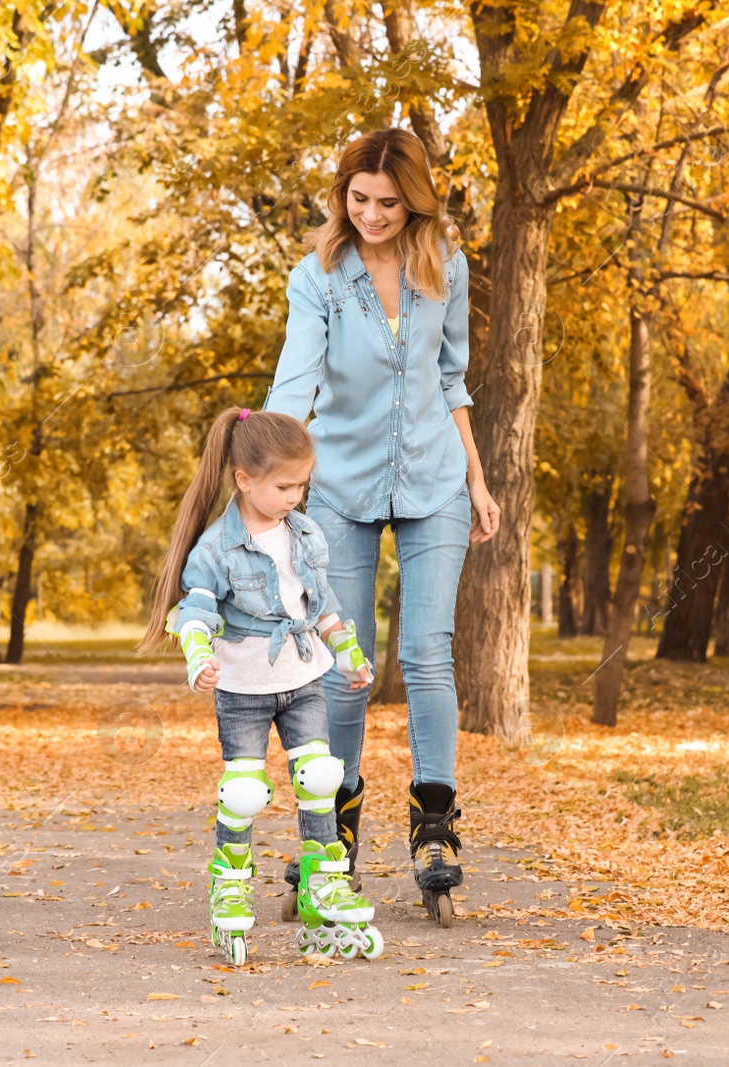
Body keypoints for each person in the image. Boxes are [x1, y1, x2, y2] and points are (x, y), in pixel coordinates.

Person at [264, 127, 500, 927]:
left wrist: (477, 476)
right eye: (358, 199)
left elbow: (451, 378)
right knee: (344, 663)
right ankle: (333, 834)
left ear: (415, 201)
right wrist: (268, 474)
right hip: (339, 486)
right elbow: (295, 379)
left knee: (428, 652)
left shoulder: (447, 269)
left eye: (388, 202)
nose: (370, 213)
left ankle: (435, 827)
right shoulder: (319, 278)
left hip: (436, 480)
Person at [138, 407, 384, 963]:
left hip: (302, 678)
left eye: (302, 483)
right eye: (284, 485)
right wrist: (197, 654)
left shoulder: (306, 534)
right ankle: (230, 883)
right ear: (244, 481)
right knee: (244, 790)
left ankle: (323, 881)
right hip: (244, 686)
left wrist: (347, 653)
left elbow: (322, 607)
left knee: (322, 776)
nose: (295, 495)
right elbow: (195, 610)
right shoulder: (216, 548)